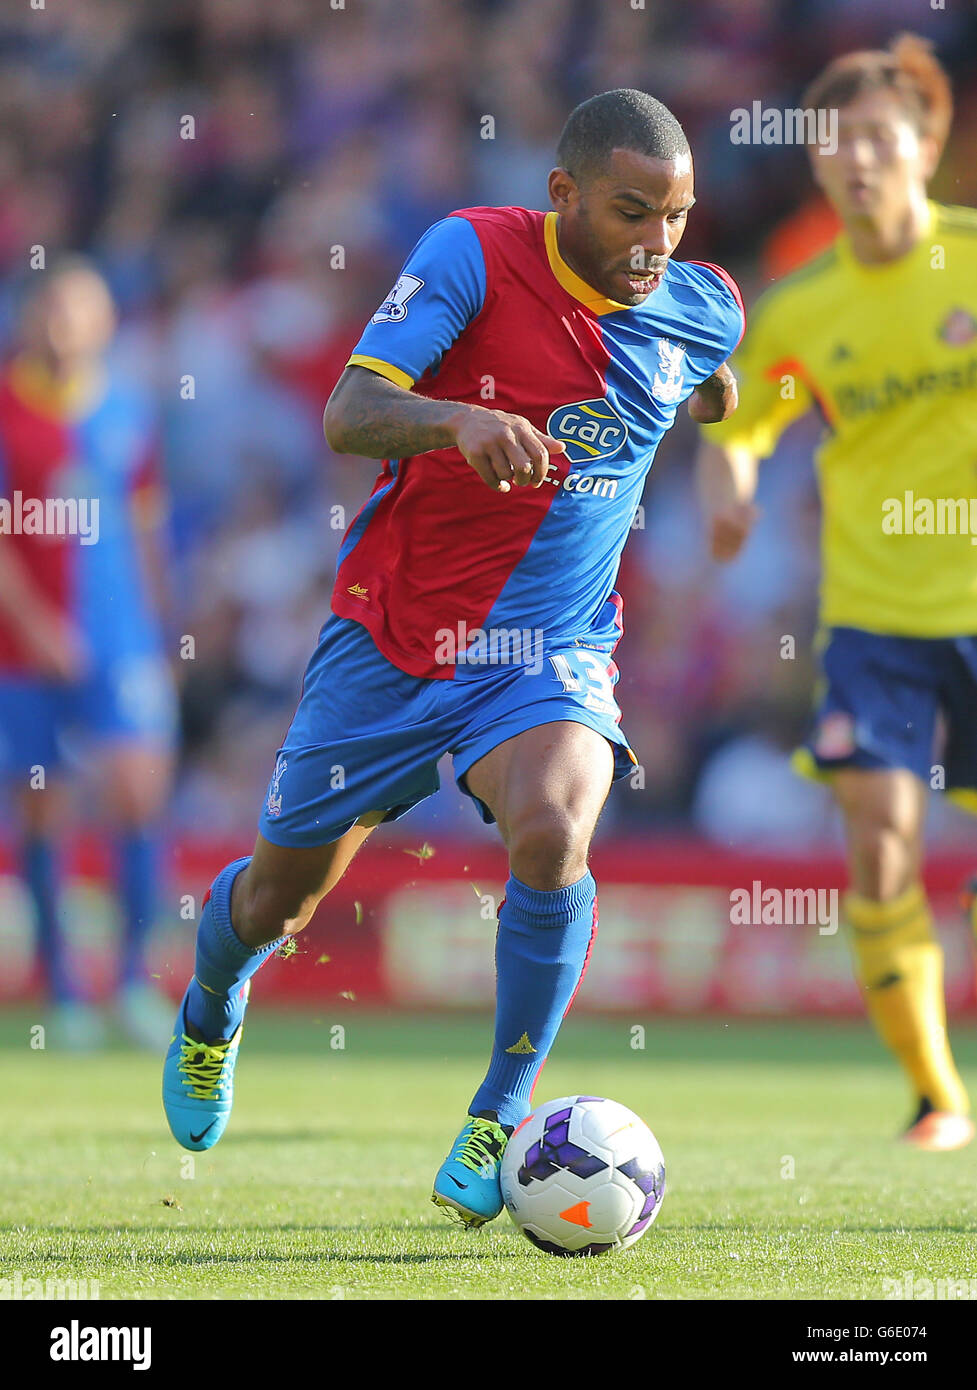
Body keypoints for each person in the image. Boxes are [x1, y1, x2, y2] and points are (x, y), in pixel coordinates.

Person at [162, 88, 743, 1227]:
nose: (653, 243)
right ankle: (213, 999)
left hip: (548, 650)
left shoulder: (697, 305)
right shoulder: (472, 252)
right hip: (391, 636)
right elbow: (348, 409)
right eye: (629, 213)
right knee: (282, 897)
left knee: (554, 829)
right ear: (562, 194)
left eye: (675, 216)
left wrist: (733, 442)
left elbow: (718, 379)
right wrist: (454, 422)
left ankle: (496, 1115)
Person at [698, 35, 977, 1151]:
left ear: (923, 146)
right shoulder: (800, 308)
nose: (854, 158)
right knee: (876, 839)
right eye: (833, 142)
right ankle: (933, 1093)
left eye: (875, 136)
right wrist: (727, 490)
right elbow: (738, 427)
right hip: (871, 615)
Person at [0, 258, 178, 1049]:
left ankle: (134, 980)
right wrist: (36, 625)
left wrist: (160, 627)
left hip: (120, 639)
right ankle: (65, 991)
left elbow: (144, 525)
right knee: (45, 807)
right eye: (52, 308)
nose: (64, 323)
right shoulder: (7, 409)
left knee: (138, 791)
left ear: (105, 323)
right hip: (23, 647)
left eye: (81, 309)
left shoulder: (130, 408)